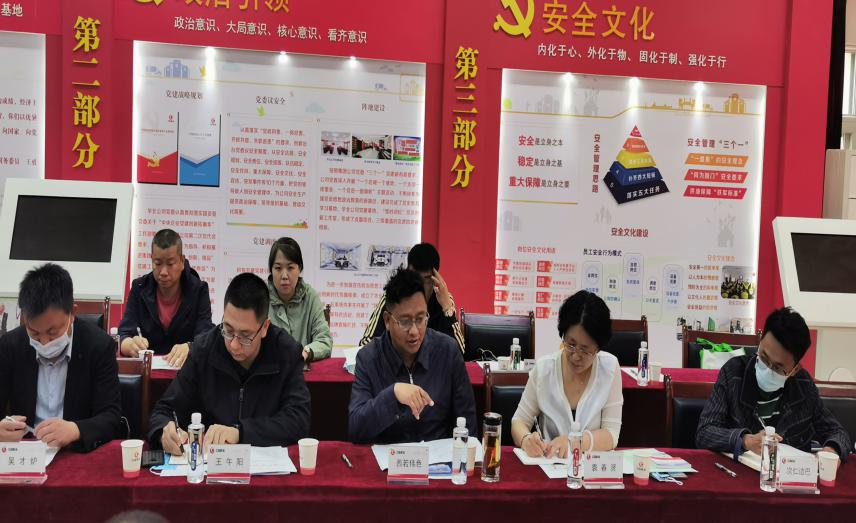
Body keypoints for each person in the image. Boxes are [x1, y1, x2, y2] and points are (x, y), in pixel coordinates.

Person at [148, 273, 310, 452]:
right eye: (228, 330)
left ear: (264, 327)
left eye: (245, 336)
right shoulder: (203, 350)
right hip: (209, 461)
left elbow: (298, 420)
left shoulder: (286, 352)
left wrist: (240, 432)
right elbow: (165, 410)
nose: (234, 344)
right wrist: (164, 431)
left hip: (265, 463)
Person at [697, 307, 851, 461]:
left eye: (778, 367)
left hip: (789, 474)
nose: (768, 369)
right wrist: (745, 440)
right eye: (764, 357)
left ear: (795, 369)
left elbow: (838, 433)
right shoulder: (734, 373)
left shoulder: (804, 386)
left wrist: (831, 451)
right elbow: (705, 433)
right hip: (738, 471)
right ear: (760, 343)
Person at [0, 263, 122, 451]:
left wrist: (76, 429)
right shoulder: (10, 345)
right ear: (23, 317)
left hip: (76, 451)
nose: (44, 343)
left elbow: (111, 417)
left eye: (53, 333)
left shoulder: (99, 346)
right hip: (26, 452)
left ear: (72, 313)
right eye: (35, 334)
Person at [349, 267, 476, 443]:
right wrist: (392, 394)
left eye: (421, 319)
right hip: (389, 456)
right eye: (405, 322)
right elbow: (356, 428)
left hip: (438, 456)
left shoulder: (447, 351)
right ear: (387, 320)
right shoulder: (369, 358)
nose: (415, 331)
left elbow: (468, 425)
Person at [511, 290, 623, 457]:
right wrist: (526, 439)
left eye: (585, 350)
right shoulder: (544, 369)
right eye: (571, 344)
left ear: (598, 347)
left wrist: (574, 442)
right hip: (550, 465)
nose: (576, 356)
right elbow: (519, 421)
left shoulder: (609, 368)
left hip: (589, 468)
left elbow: (611, 435)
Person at [118, 229, 214, 367]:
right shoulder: (139, 288)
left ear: (182, 261)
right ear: (151, 260)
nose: (163, 272)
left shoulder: (199, 290)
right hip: (148, 369)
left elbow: (206, 335)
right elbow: (124, 333)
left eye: (170, 264)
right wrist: (129, 344)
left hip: (185, 370)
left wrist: (190, 346)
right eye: (157, 263)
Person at [360, 243, 465, 354]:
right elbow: (365, 345)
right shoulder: (393, 295)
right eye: (415, 277)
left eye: (427, 279)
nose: (420, 285)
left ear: (436, 279)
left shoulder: (443, 299)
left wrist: (447, 308)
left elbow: (459, 353)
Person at [266, 237, 332, 362]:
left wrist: (305, 352)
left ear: (300, 269)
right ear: (271, 270)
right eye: (278, 268)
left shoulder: (310, 297)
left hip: (302, 369)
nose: (284, 276)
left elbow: (324, 341)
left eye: (290, 268)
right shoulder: (260, 297)